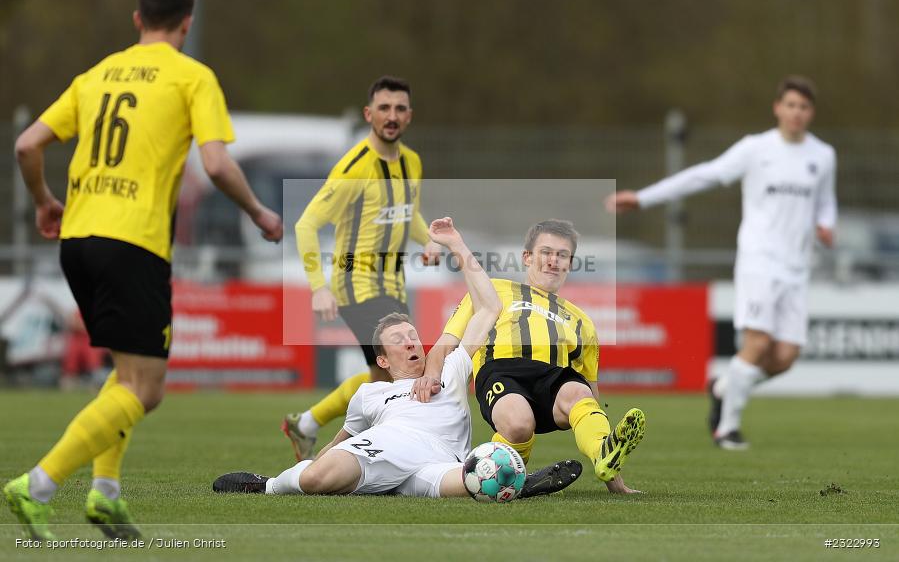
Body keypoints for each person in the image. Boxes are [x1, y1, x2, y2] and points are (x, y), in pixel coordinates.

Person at [3, 0, 283, 541]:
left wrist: (43, 202)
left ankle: (105, 495)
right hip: (132, 242)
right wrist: (258, 212)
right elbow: (219, 164)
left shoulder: (96, 74)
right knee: (146, 388)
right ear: (188, 20)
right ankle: (38, 484)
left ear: (137, 20)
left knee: (124, 375)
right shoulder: (192, 77)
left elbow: (27, 143)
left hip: (77, 240)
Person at [216, 218, 581, 499]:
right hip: (387, 448)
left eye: (412, 335)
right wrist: (316, 459)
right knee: (315, 478)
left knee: (480, 479)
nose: (411, 341)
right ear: (384, 361)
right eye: (398, 339)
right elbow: (343, 438)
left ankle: (517, 481)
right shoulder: (370, 395)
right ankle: (269, 486)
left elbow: (489, 306)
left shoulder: (449, 370)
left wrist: (455, 243)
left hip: (438, 463)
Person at [605, 75, 837, 450]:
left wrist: (827, 225)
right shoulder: (755, 148)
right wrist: (644, 198)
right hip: (759, 261)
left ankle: (723, 386)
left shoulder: (823, 156)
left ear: (811, 113)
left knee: (786, 356)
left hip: (797, 268)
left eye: (804, 107)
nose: (796, 113)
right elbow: (705, 175)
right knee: (758, 343)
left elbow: (825, 201)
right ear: (778, 107)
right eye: (790, 105)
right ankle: (726, 428)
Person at [413, 220, 646, 494]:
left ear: (570, 264)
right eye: (546, 252)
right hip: (502, 372)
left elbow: (591, 397)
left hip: (552, 379)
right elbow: (444, 345)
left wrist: (614, 482)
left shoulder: (582, 321)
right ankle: (512, 479)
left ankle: (603, 453)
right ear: (527, 257)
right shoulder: (492, 290)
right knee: (519, 423)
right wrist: (429, 377)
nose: (553, 261)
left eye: (562, 255)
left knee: (577, 392)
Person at [283, 76, 441, 461]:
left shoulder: (412, 162)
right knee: (401, 373)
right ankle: (334, 459)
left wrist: (429, 240)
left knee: (381, 377)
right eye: (384, 108)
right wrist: (319, 286)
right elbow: (306, 224)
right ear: (369, 114)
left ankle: (306, 426)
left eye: (399, 109)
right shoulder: (354, 167)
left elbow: (407, 214)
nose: (392, 116)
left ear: (409, 116)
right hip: (357, 284)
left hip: (393, 286)